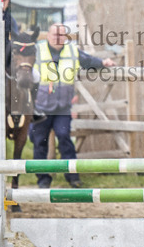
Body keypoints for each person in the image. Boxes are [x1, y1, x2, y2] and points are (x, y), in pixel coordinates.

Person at [29, 22, 116, 188]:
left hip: (62, 107)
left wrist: (103, 62)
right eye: (55, 35)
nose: (58, 38)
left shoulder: (72, 51)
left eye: (61, 35)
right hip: (40, 106)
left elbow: (87, 60)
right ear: (48, 36)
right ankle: (43, 179)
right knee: (40, 142)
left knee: (64, 138)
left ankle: (72, 177)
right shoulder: (37, 50)